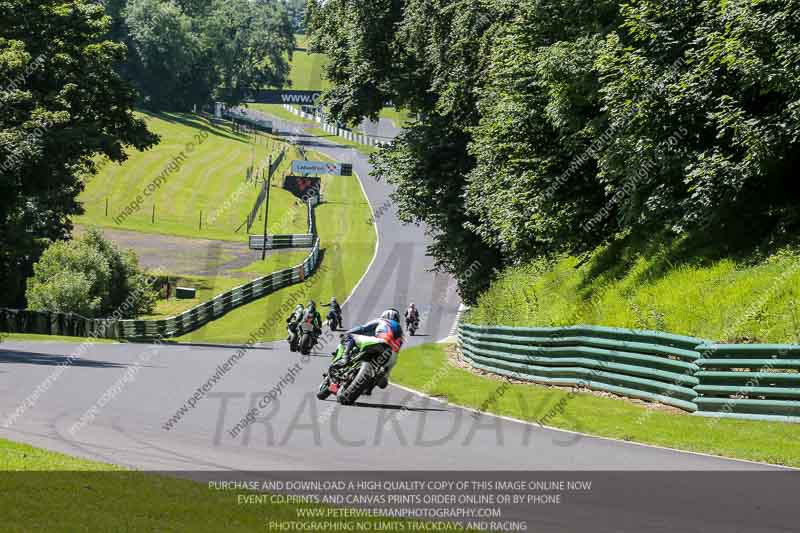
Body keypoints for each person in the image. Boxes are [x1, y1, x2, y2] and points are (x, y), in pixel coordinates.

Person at [336, 309, 404, 393]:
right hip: (392, 355)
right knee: (383, 379)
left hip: (380, 342)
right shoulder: (401, 332)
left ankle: (345, 357)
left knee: (350, 336)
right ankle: (371, 385)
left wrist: (347, 332)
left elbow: (363, 328)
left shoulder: (382, 320)